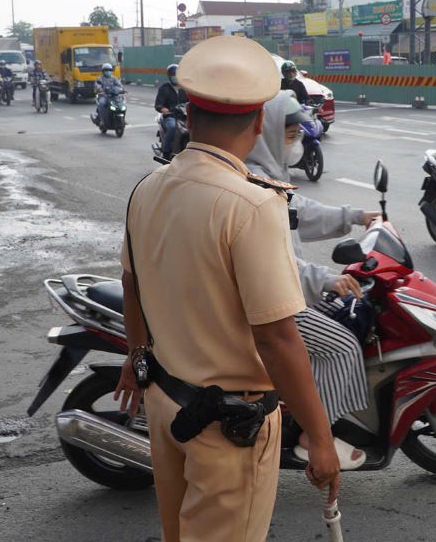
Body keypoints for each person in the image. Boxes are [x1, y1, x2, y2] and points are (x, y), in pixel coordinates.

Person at [115, 36, 339, 541]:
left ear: (189, 116)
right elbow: (277, 338)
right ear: (260, 122)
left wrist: (136, 353)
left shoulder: (146, 189)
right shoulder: (253, 205)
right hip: (225, 427)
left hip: (167, 403)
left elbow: (132, 283)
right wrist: (321, 438)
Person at [246, 91, 380, 469]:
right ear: (268, 130)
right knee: (341, 346)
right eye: (289, 133)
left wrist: (355, 216)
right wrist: (324, 279)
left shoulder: (269, 175)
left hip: (285, 289)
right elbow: (267, 262)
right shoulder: (254, 184)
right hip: (270, 298)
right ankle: (312, 436)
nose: (296, 141)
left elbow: (303, 212)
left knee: (346, 315)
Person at [154, 63, 189, 159]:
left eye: (176, 75)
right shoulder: (164, 88)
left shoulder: (185, 88)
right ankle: (166, 152)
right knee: (172, 128)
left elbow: (191, 101)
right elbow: (158, 104)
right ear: (169, 76)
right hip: (170, 116)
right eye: (173, 76)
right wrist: (162, 108)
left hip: (184, 116)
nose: (175, 77)